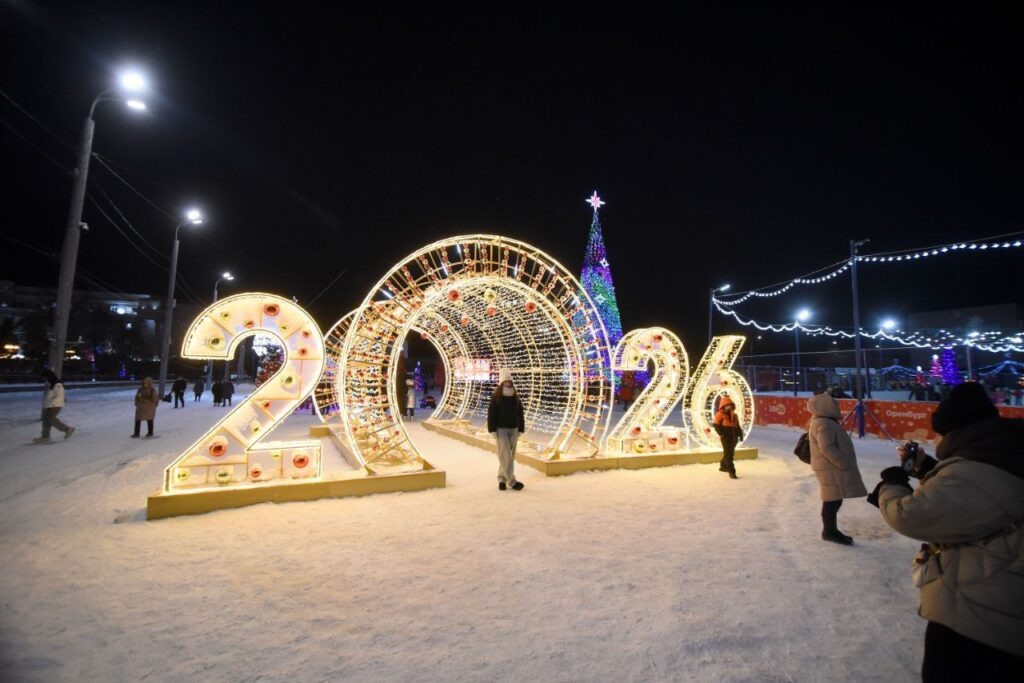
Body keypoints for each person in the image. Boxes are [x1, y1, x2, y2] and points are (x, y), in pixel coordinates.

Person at [867, 382, 1024, 678]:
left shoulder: (972, 472)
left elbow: (909, 514)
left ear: (956, 430)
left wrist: (892, 483)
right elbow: (979, 496)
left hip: (978, 617)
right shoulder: (1006, 452)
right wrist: (929, 470)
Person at [806, 392, 867, 544]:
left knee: (834, 499)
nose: (837, 407)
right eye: (834, 404)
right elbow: (826, 448)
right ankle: (829, 531)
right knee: (832, 500)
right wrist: (842, 462)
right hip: (831, 468)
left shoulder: (822, 422)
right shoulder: (823, 424)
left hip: (829, 467)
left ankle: (831, 530)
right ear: (825, 407)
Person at [487, 369, 525, 491]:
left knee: (510, 456)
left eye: (509, 381)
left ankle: (501, 479)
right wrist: (492, 429)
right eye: (505, 381)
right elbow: (491, 413)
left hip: (514, 428)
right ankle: (512, 481)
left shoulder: (515, 396)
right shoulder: (496, 396)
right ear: (502, 382)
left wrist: (521, 428)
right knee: (505, 455)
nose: (507, 383)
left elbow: (520, 413)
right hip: (501, 429)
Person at [34, 370, 75, 443]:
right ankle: (45, 436)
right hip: (50, 404)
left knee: (50, 418)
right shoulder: (52, 384)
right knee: (46, 420)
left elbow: (59, 396)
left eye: (45, 377)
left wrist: (52, 403)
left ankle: (67, 429)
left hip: (55, 405)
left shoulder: (57, 384)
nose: (44, 379)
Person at [712, 396, 742, 479]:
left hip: (734, 437)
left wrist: (740, 435)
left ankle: (723, 466)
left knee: (729, 453)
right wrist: (721, 433)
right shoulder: (719, 415)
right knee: (729, 455)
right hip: (726, 438)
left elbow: (737, 426)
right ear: (723, 406)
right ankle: (732, 472)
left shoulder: (735, 415)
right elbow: (715, 425)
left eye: (730, 405)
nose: (728, 406)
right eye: (727, 405)